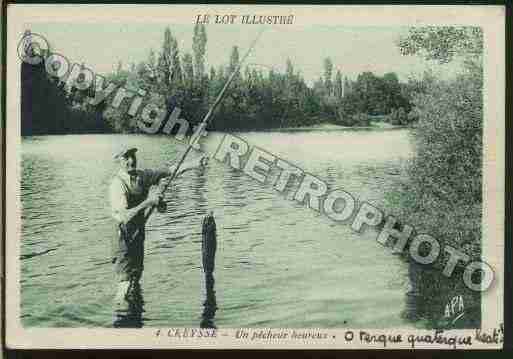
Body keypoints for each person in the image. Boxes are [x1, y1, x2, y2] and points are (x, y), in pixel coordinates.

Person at [109, 146, 208, 305]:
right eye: (126, 158)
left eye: (133, 156)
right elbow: (125, 216)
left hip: (139, 233)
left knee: (136, 278)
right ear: (118, 161)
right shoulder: (117, 185)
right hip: (124, 236)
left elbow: (169, 171)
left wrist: (194, 164)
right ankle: (118, 317)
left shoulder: (142, 176)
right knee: (125, 282)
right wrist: (149, 202)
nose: (131, 160)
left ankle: (134, 315)